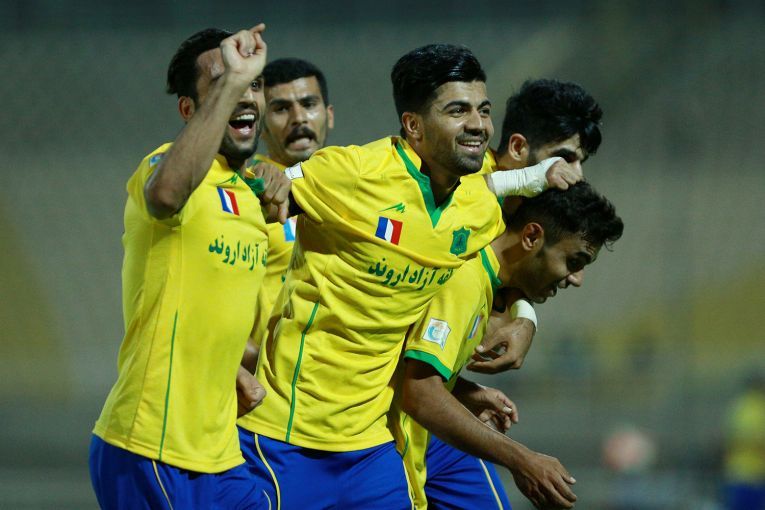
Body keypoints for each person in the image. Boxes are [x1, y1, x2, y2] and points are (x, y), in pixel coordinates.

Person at [240, 43, 581, 509]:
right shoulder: (353, 172)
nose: (479, 125)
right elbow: (244, 200)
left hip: (374, 444)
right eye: (457, 111)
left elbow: (509, 260)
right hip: (288, 434)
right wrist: (261, 176)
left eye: (483, 110)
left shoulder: (478, 204)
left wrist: (524, 316)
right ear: (413, 125)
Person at [88, 25, 289, 509]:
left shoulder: (251, 192)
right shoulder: (166, 168)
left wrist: (235, 365)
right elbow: (164, 195)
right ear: (188, 109)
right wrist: (233, 83)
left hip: (220, 452)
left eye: (254, 83)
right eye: (224, 83)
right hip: (152, 444)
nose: (245, 94)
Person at [403, 79, 604, 510]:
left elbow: (505, 264)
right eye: (566, 157)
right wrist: (522, 317)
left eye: (581, 162)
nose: (576, 175)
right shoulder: (460, 187)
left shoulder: (526, 211)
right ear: (517, 148)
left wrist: (524, 315)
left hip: (433, 408)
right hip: (391, 412)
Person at [394, 181, 623, 510]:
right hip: (374, 450)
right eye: (574, 261)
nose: (576, 278)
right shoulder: (465, 281)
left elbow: (404, 365)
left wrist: (466, 391)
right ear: (531, 237)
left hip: (412, 448)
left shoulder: (488, 284)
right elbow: (419, 393)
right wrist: (522, 459)